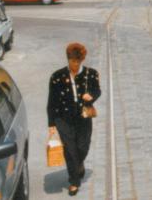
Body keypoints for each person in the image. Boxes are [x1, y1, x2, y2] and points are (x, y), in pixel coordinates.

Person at [47, 43, 101, 196]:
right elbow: (52, 102)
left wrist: (91, 96)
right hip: (63, 119)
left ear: (82, 60)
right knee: (70, 150)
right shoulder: (57, 77)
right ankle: (74, 181)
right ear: (68, 59)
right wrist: (51, 124)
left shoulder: (91, 74)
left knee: (83, 146)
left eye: (77, 61)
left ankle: (79, 164)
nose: (75, 64)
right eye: (72, 61)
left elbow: (97, 90)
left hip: (83, 118)